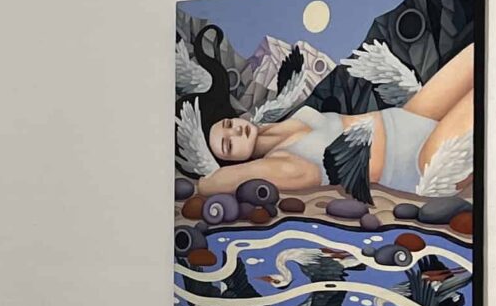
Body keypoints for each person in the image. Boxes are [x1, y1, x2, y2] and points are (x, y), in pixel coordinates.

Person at [193, 44, 476, 201]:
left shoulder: (281, 122)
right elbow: (210, 184)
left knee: (479, 51)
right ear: (231, 162)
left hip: (408, 118)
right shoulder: (282, 164)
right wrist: (204, 164)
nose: (236, 132)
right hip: (420, 162)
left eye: (228, 124)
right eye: (228, 145)